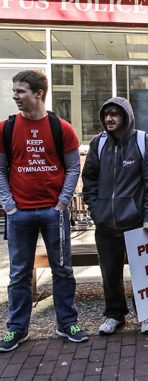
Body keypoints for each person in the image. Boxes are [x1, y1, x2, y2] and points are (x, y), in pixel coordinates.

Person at [0, 70, 87, 351]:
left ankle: (67, 324)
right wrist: (9, 206)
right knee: (18, 274)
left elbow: (74, 167)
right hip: (19, 215)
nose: (15, 96)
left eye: (21, 91)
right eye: (14, 91)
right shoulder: (6, 128)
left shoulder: (61, 128)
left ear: (39, 93)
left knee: (63, 270)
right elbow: (0, 170)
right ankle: (17, 328)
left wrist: (62, 202)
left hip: (54, 213)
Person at [82, 97, 148, 335]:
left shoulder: (143, 142)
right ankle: (114, 315)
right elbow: (89, 178)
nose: (109, 118)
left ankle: (147, 315)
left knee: (143, 271)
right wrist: (95, 209)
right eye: (106, 114)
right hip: (106, 224)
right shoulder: (98, 144)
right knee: (109, 272)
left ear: (126, 117)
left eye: (115, 114)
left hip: (138, 223)